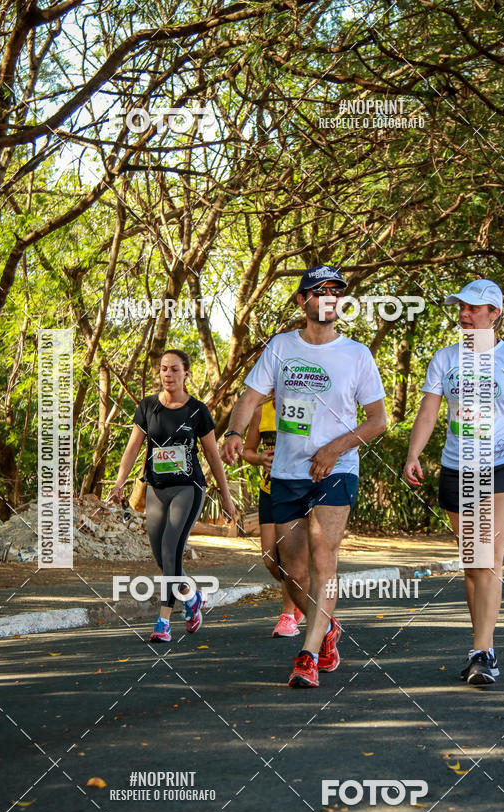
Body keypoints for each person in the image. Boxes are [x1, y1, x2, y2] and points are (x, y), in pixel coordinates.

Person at [221, 264, 387, 688]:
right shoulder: (280, 348)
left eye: (336, 291)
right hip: (287, 472)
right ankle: (327, 627)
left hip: (336, 470)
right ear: (303, 301)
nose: (329, 297)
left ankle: (308, 655)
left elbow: (378, 421)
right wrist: (236, 431)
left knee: (323, 557)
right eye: (320, 291)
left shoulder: (356, 354)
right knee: (289, 568)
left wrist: (334, 449)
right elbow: (250, 397)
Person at [403, 279, 504, 685]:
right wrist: (414, 453)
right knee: (473, 566)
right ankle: (478, 648)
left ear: (494, 314)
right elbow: (429, 412)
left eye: (473, 308)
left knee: (487, 553)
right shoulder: (445, 359)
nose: (464, 315)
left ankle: (483, 653)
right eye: (461, 308)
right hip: (457, 469)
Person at [111, 349, 236, 642]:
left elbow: (213, 455)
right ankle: (192, 598)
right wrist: (119, 482)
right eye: (164, 369)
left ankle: (163, 621)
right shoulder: (148, 407)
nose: (168, 374)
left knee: (170, 550)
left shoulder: (197, 411)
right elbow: (132, 448)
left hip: (188, 488)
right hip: (156, 488)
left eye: (174, 369)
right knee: (161, 556)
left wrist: (227, 498)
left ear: (185, 374)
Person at [242, 394, 304, 637]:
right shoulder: (261, 411)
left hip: (296, 489)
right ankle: (301, 592)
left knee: (288, 555)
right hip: (269, 489)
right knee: (269, 557)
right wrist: (260, 458)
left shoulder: (303, 407)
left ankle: (288, 615)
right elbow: (247, 451)